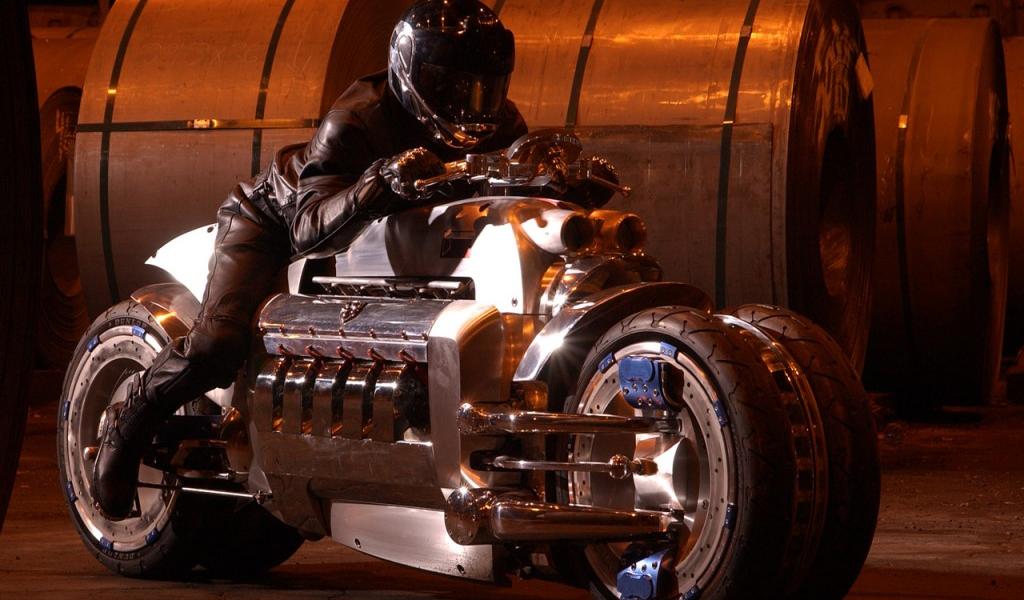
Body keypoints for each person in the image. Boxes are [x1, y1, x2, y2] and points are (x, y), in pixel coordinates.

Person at [91, 0, 615, 520]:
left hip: (397, 240)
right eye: (451, 85)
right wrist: (378, 182)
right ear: (412, 72)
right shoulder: (359, 117)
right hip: (274, 219)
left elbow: (511, 186)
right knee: (218, 345)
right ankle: (127, 425)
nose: (470, 102)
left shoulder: (498, 121)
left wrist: (568, 186)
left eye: (484, 86)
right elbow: (307, 224)